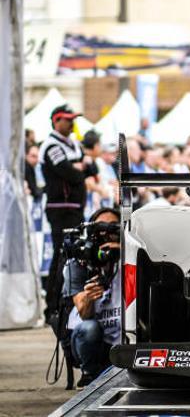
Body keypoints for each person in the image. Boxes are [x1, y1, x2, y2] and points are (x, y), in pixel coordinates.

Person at [39, 104, 95, 323]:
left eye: (73, 119)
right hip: (60, 209)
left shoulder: (72, 144)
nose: (72, 124)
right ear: (56, 121)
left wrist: (80, 167)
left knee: (73, 257)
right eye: (68, 119)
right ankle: (52, 307)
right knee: (61, 255)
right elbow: (70, 173)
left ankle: (65, 303)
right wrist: (81, 166)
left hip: (75, 208)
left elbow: (91, 169)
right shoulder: (50, 145)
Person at [63, 207, 122, 387]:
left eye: (113, 227)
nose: (106, 233)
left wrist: (124, 252)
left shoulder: (131, 256)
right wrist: (89, 297)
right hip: (91, 339)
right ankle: (91, 376)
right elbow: (84, 314)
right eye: (101, 228)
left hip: (123, 337)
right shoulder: (79, 263)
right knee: (89, 328)